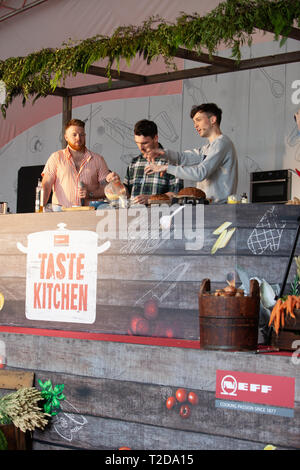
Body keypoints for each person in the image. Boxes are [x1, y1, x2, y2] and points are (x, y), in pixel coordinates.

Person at [144, 103, 238, 204]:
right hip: (208, 207)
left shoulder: (222, 143)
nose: (195, 125)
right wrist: (161, 152)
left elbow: (200, 173)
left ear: (212, 120)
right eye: (194, 122)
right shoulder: (208, 148)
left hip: (219, 208)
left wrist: (166, 168)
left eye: (198, 120)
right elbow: (182, 157)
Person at [42, 119, 119, 208]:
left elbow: (107, 190)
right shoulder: (56, 157)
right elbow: (46, 185)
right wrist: (39, 209)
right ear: (66, 137)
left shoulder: (98, 159)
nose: (78, 138)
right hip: (61, 214)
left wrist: (90, 194)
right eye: (74, 135)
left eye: (81, 134)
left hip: (89, 215)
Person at [123, 119, 183, 204]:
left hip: (161, 215)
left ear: (155, 138)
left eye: (145, 143)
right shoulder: (134, 163)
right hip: (135, 215)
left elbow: (176, 195)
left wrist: (151, 199)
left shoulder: (172, 161)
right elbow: (127, 195)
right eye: (137, 142)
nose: (141, 147)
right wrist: (116, 184)